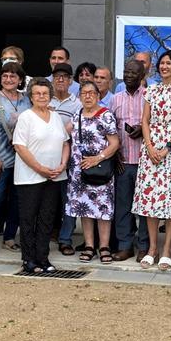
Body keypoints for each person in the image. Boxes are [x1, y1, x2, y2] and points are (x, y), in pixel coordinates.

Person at [130, 50, 171, 270]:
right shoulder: (151, 90)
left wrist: (167, 148)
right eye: (162, 63)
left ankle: (166, 250)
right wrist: (149, 146)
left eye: (168, 63)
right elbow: (144, 120)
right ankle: (152, 249)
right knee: (150, 200)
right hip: (150, 149)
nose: (164, 66)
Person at [12, 78, 71, 273]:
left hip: (54, 177)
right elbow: (19, 146)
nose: (41, 97)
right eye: (37, 93)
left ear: (50, 95)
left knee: (47, 219)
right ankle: (29, 259)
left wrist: (63, 164)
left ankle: (43, 258)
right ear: (31, 96)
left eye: (45, 93)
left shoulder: (55, 117)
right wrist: (39, 168)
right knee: (29, 218)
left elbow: (65, 142)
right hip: (30, 177)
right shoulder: (26, 117)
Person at [0, 62, 30, 257]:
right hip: (0, 158)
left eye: (13, 76)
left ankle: (10, 237)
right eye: (5, 76)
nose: (9, 80)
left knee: (18, 200)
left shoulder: (27, 100)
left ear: (20, 80)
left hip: (23, 160)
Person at [67, 81, 120, 263]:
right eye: (84, 93)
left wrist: (98, 158)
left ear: (98, 96)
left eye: (91, 93)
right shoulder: (77, 115)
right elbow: (64, 136)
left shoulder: (106, 116)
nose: (88, 96)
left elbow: (115, 143)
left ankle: (103, 245)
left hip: (99, 168)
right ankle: (89, 244)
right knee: (85, 208)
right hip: (79, 169)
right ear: (79, 96)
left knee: (102, 208)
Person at [111, 59, 147, 261]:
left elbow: (157, 126)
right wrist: (115, 154)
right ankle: (125, 245)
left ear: (142, 76)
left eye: (133, 72)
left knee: (144, 208)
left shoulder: (150, 97)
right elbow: (109, 130)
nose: (128, 75)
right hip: (123, 161)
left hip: (145, 163)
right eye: (126, 71)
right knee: (123, 207)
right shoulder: (115, 99)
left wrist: (143, 129)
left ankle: (144, 246)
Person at [49, 62, 83, 254]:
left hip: (69, 158)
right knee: (46, 200)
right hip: (45, 157)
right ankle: (44, 235)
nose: (60, 79)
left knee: (68, 200)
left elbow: (73, 132)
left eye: (64, 77)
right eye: (57, 76)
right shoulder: (45, 99)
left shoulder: (77, 103)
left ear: (71, 81)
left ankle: (65, 239)